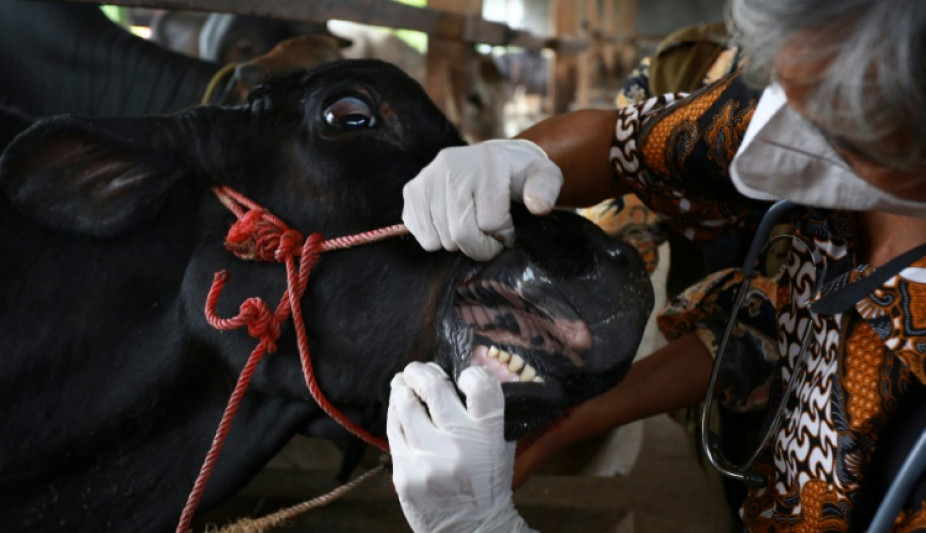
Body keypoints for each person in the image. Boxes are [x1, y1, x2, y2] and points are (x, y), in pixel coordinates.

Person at [386, 0, 926, 531]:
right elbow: (631, 146)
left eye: (842, 124)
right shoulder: (819, 81)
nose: (797, 128)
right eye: (790, 96)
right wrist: (516, 157)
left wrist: (484, 527)